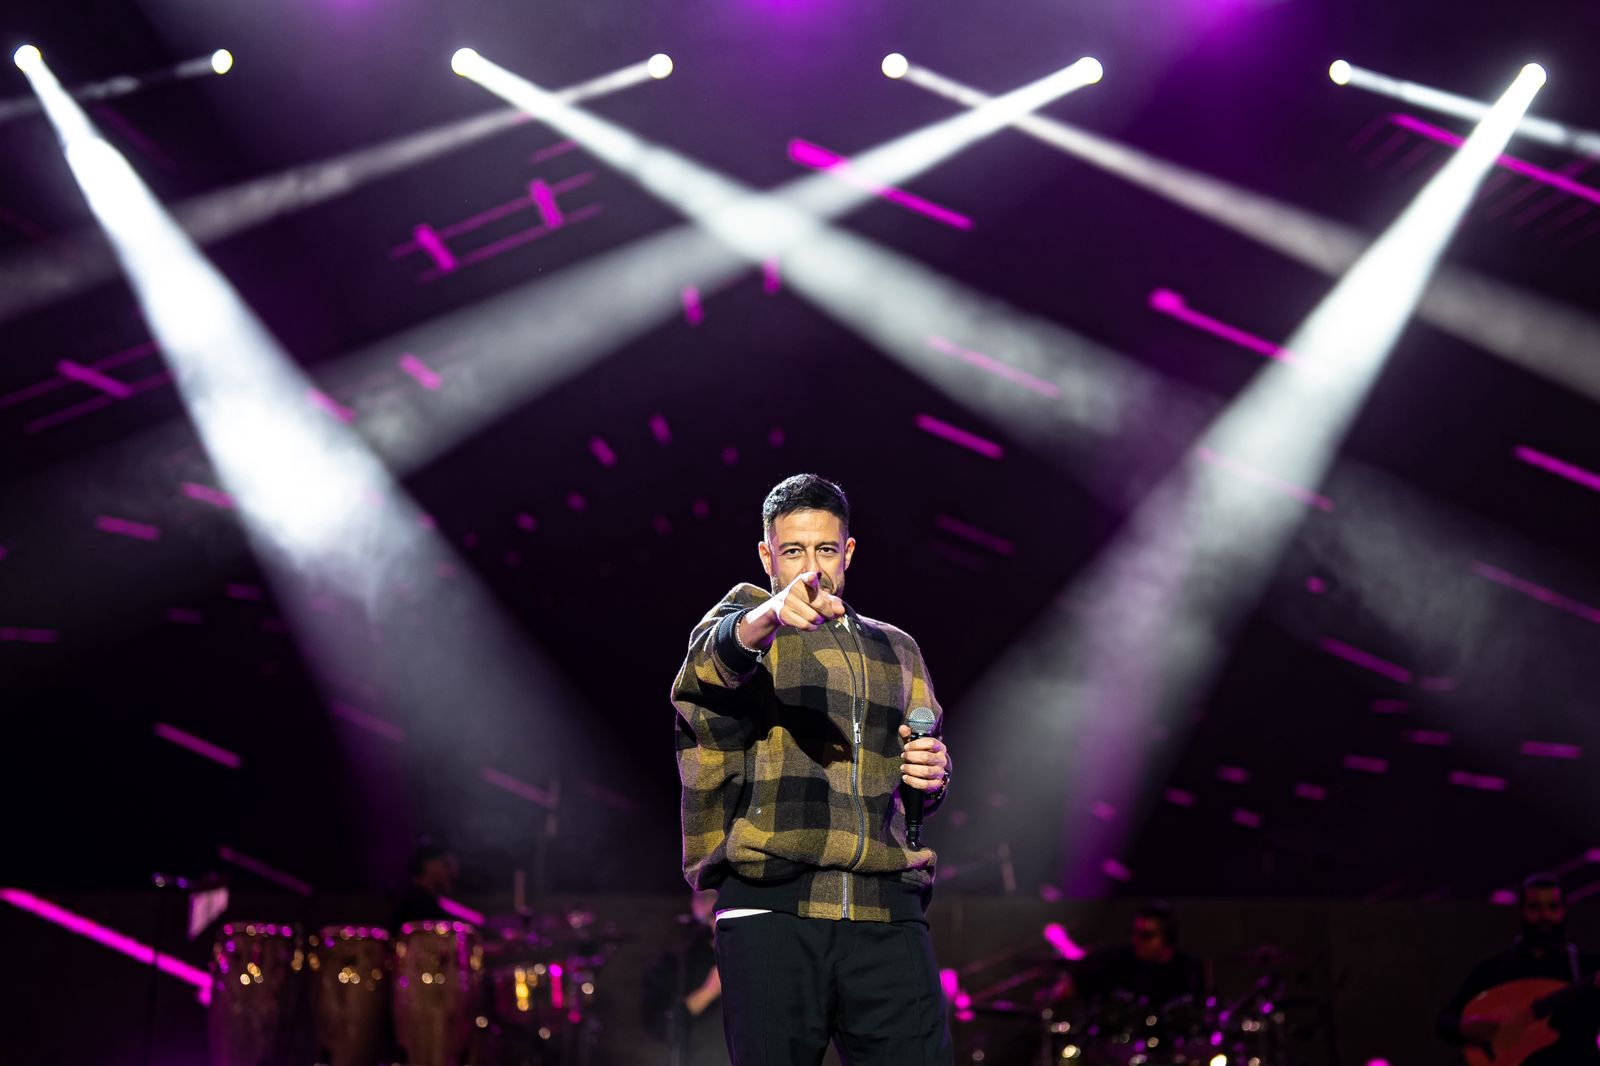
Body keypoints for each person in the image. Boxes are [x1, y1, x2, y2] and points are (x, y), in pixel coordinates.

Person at [671, 474, 954, 1066]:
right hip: (773, 909)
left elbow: (916, 769)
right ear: (766, 555)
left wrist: (932, 773)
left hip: (886, 910)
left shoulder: (897, 648)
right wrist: (769, 615)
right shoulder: (747, 624)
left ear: (847, 551)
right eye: (793, 551)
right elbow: (708, 669)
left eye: (824, 549)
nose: (810, 568)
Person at [1438, 874, 1600, 1063]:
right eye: (1535, 907)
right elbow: (1444, 1022)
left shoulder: (1587, 966)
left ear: (1564, 911)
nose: (1544, 915)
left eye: (1553, 907)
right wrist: (1467, 1027)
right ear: (1521, 911)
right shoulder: (1495, 969)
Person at [642, 889, 733, 1066]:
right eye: (703, 897)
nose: (712, 903)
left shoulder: (752, 955)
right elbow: (658, 1025)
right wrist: (706, 993)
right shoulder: (676, 961)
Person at [1069, 901, 1207, 1009]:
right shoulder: (1119, 961)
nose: (1136, 941)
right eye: (1134, 933)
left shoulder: (1188, 970)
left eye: (1146, 935)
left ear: (1168, 937)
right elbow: (1076, 986)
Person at [391, 839, 459, 929]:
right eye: (445, 865)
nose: (450, 872)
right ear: (428, 866)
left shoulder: (424, 900)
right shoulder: (418, 904)